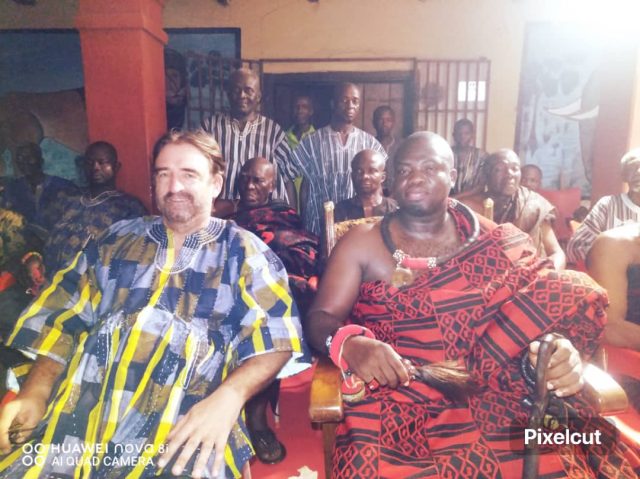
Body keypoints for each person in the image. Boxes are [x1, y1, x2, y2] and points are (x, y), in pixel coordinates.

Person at [304, 131, 639, 478]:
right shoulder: (361, 243)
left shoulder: (497, 240)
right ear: (390, 183)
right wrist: (350, 344)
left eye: (430, 167)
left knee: (557, 460)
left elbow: (544, 307)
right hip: (398, 398)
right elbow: (320, 318)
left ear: (452, 177)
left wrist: (559, 351)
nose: (415, 177)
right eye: (403, 170)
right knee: (368, 466)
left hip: (496, 392)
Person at [0, 130, 308, 479]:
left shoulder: (245, 252)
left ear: (216, 183)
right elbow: (62, 313)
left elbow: (278, 337)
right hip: (82, 414)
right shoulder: (116, 238)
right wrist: (36, 390)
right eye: (163, 174)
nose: (174, 186)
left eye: (189, 174)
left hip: (184, 423)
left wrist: (229, 398)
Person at [229, 157, 319, 464]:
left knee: (269, 323)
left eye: (258, 180)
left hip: (267, 292)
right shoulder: (224, 213)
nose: (250, 186)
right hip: (226, 289)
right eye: (245, 178)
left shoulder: (282, 215)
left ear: (271, 185)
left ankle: (256, 420)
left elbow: (301, 252)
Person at [292, 82, 386, 235]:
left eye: (355, 101)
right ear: (333, 104)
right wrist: (300, 222)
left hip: (358, 228)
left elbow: (379, 186)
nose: (350, 105)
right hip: (318, 226)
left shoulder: (370, 144)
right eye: (344, 100)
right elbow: (302, 185)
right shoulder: (311, 142)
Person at [42, 141, 147, 276]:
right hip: (48, 278)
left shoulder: (129, 207)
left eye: (103, 162)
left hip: (92, 287)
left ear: (116, 167)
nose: (95, 167)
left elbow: (136, 256)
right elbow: (41, 233)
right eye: (90, 163)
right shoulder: (66, 198)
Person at [203, 68, 298, 216]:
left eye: (248, 90)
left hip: (265, 218)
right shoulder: (210, 128)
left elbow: (287, 180)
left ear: (259, 96)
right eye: (236, 90)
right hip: (223, 216)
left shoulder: (273, 132)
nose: (242, 95)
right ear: (228, 94)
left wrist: (292, 217)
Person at [460, 148, 566, 270]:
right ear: (487, 175)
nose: (510, 174)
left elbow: (557, 253)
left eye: (515, 169)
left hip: (528, 276)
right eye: (500, 169)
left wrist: (549, 273)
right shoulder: (469, 207)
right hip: (483, 278)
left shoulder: (533, 205)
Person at [567, 148, 640, 265]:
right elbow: (576, 247)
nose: (638, 172)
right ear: (624, 175)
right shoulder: (608, 205)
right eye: (633, 167)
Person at [1, 142, 78, 235]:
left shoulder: (63, 186)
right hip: (23, 244)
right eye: (20, 159)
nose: (25, 162)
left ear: (41, 161)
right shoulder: (12, 189)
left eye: (29, 158)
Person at [334, 149, 397, 222]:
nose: (364, 176)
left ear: (383, 177)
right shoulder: (340, 211)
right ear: (352, 176)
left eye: (372, 171)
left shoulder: (395, 210)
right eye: (359, 171)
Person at [451, 118, 486, 195]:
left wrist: (456, 198)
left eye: (467, 133)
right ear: (454, 135)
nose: (462, 136)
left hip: (473, 200)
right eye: (459, 133)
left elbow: (481, 186)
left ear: (472, 135)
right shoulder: (447, 154)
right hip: (448, 199)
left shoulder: (482, 156)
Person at [372, 105, 399, 190]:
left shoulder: (401, 146)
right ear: (374, 123)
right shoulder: (368, 145)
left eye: (388, 120)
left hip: (396, 195)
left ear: (393, 122)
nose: (384, 124)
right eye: (380, 120)